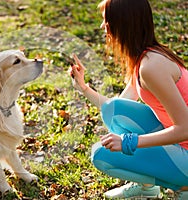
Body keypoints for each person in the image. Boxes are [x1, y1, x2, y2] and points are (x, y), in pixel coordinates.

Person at [69, 0, 188, 199]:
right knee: (114, 111)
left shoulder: (152, 67)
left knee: (101, 156)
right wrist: (84, 88)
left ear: (122, 24)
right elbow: (116, 107)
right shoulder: (146, 58)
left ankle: (183, 187)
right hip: (181, 144)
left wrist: (129, 141)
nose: (102, 27)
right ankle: (147, 187)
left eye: (106, 21)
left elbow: (185, 128)